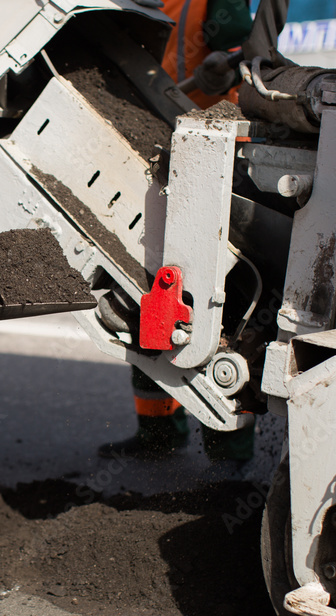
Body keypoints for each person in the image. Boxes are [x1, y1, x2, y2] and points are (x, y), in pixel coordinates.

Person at [99, 0, 254, 464]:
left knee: (215, 311)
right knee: (146, 298)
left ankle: (229, 453)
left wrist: (228, 67)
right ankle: (157, 434)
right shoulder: (144, 6)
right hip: (163, 153)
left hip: (215, 163)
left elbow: (246, 54)